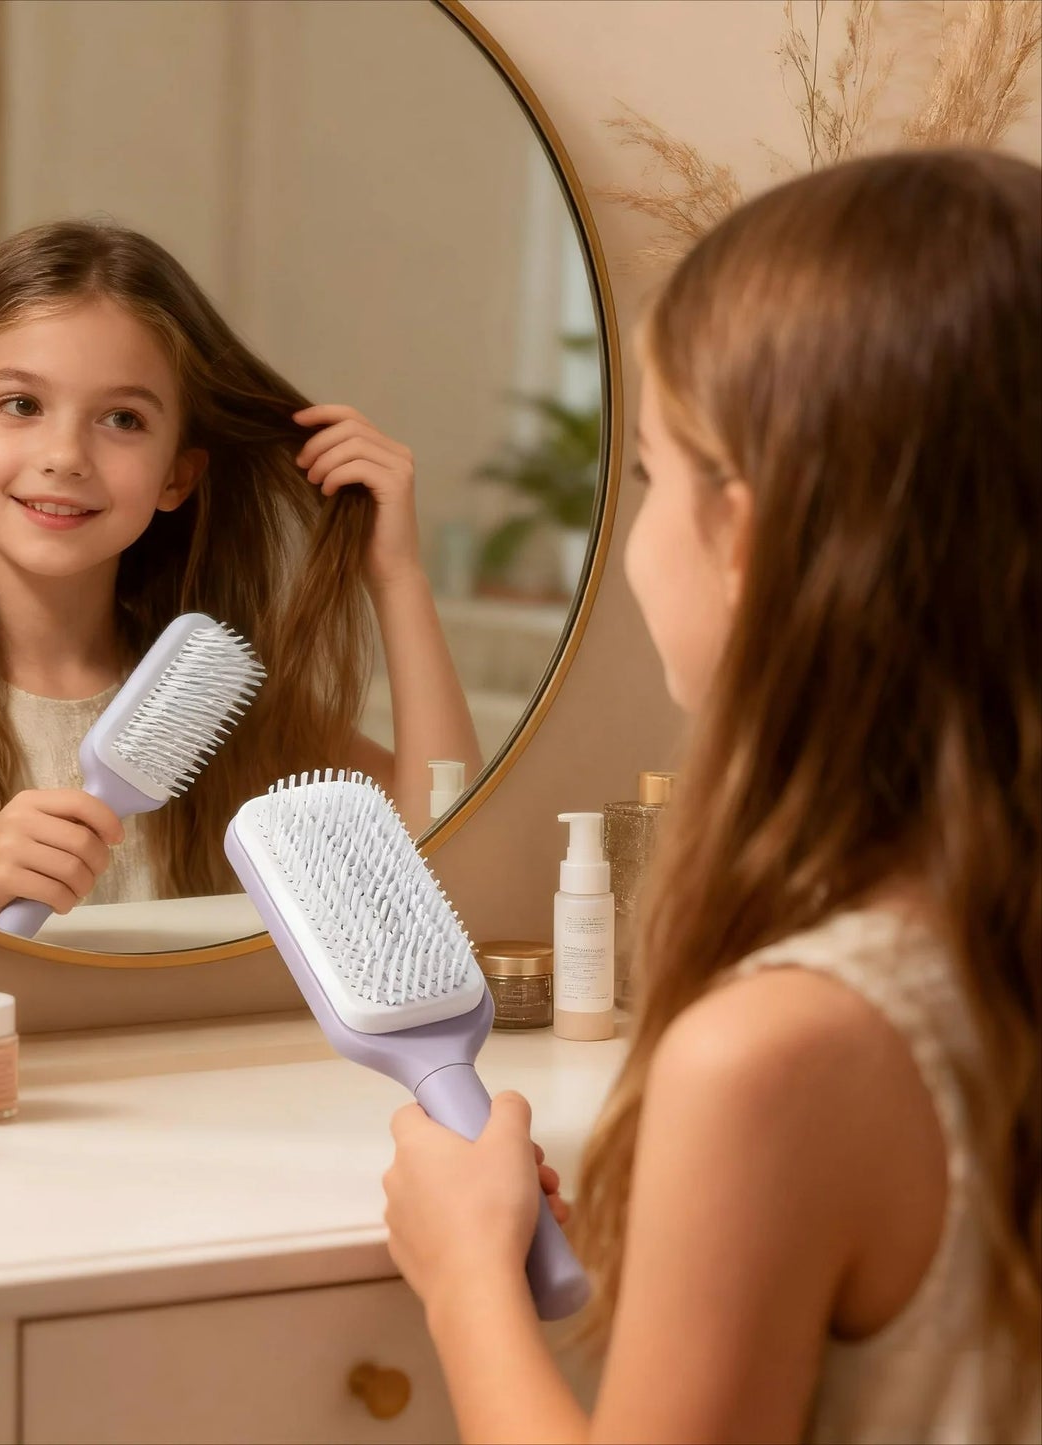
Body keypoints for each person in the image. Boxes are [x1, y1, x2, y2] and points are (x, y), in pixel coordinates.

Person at [382, 149, 1040, 1443]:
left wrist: (465, 1274)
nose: (637, 536)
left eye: (649, 478)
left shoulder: (778, 1058)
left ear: (745, 534)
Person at [0, 220, 481, 918]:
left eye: (122, 419)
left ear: (176, 476)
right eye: (21, 404)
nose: (64, 455)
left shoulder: (207, 701)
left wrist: (397, 577)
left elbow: (444, 848)